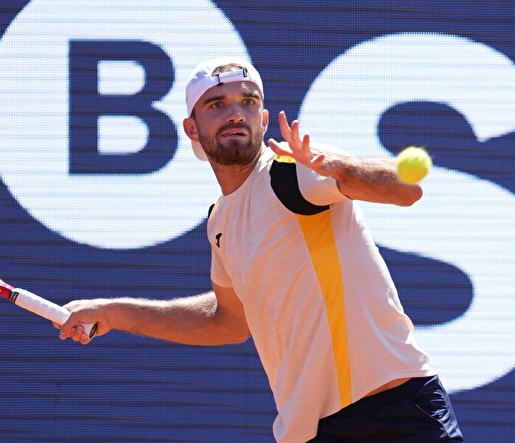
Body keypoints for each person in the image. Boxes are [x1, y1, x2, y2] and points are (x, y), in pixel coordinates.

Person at [55, 57, 464, 443]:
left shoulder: (293, 171)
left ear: (263, 120)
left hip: (393, 415)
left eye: (248, 102)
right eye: (217, 104)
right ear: (192, 129)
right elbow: (229, 321)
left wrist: (337, 166)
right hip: (310, 432)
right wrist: (115, 313)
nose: (236, 113)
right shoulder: (220, 223)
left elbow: (407, 189)